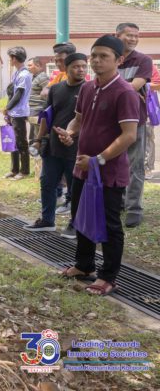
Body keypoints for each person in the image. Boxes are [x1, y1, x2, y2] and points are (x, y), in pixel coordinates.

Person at [57, 35, 139, 297]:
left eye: (104, 56)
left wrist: (99, 159)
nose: (96, 61)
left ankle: (108, 277)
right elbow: (78, 120)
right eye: (93, 55)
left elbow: (129, 135)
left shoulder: (125, 92)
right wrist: (70, 133)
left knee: (109, 224)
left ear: (119, 60)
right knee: (80, 216)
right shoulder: (87, 88)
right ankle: (84, 265)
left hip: (108, 171)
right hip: (83, 167)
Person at [25, 53, 87, 235]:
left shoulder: (89, 89)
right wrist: (38, 140)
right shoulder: (55, 89)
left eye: (84, 66)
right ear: (66, 69)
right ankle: (47, 220)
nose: (81, 70)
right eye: (76, 66)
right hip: (53, 146)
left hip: (76, 148)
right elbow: (47, 116)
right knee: (47, 183)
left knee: (75, 188)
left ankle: (75, 224)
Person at [115, 22, 153, 228]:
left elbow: (134, 87)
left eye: (136, 36)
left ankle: (134, 209)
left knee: (135, 165)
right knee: (114, 163)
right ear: (117, 35)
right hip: (111, 121)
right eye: (129, 35)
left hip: (135, 119)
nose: (133, 39)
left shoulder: (143, 60)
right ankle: (119, 202)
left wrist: (114, 89)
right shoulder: (110, 58)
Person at [3, 46, 32, 180]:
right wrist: (8, 110)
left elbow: (19, 94)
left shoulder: (24, 75)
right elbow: (12, 93)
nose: (9, 60)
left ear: (14, 58)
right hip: (12, 112)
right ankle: (14, 169)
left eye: (10, 58)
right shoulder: (17, 73)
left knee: (21, 142)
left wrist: (7, 107)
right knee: (12, 141)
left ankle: (24, 171)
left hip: (19, 113)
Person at [26, 57, 49, 146]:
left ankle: (39, 151)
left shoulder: (42, 77)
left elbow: (46, 94)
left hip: (38, 110)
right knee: (34, 134)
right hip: (33, 110)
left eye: (30, 65)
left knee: (38, 134)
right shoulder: (34, 77)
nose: (28, 67)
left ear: (38, 65)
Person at [145, 64, 160, 178]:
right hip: (127, 108)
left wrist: (143, 85)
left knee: (147, 139)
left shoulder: (148, 65)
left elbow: (158, 84)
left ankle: (147, 168)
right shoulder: (119, 64)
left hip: (146, 109)